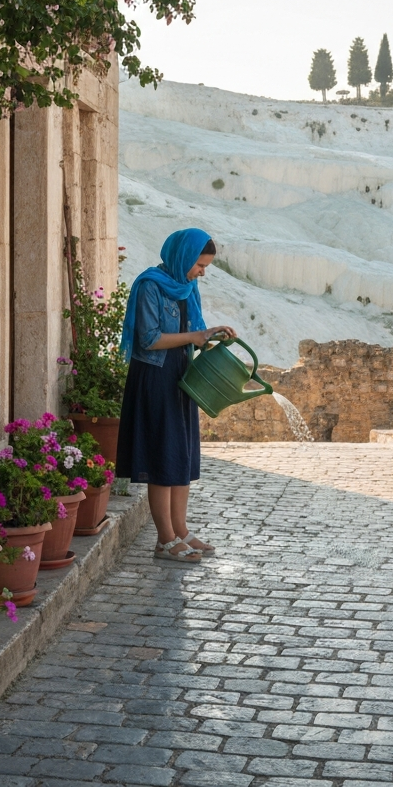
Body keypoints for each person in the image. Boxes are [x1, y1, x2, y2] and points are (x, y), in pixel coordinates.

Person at [117, 228, 237, 563]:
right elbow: (150, 339)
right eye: (199, 265)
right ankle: (164, 540)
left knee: (180, 454)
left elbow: (191, 334)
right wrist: (196, 336)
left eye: (205, 267)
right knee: (161, 458)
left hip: (181, 375)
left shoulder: (187, 286)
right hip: (155, 376)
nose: (201, 272)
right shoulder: (150, 285)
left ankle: (181, 530)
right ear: (182, 257)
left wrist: (211, 335)